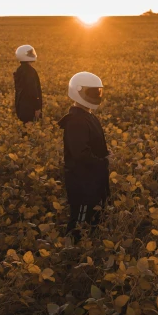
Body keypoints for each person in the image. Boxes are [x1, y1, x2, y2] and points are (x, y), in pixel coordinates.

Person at [58, 72, 109, 243]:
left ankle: (85, 252)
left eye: (97, 92)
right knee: (79, 222)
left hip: (92, 180)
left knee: (92, 218)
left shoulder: (86, 116)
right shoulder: (76, 121)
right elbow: (81, 155)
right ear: (78, 92)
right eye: (92, 93)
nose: (95, 96)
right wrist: (105, 161)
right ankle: (70, 255)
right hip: (82, 182)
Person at [13, 45, 43, 124]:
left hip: (21, 105)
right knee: (30, 131)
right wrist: (37, 108)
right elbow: (32, 90)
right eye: (30, 53)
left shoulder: (19, 70)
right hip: (29, 107)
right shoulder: (30, 71)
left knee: (24, 129)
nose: (33, 54)